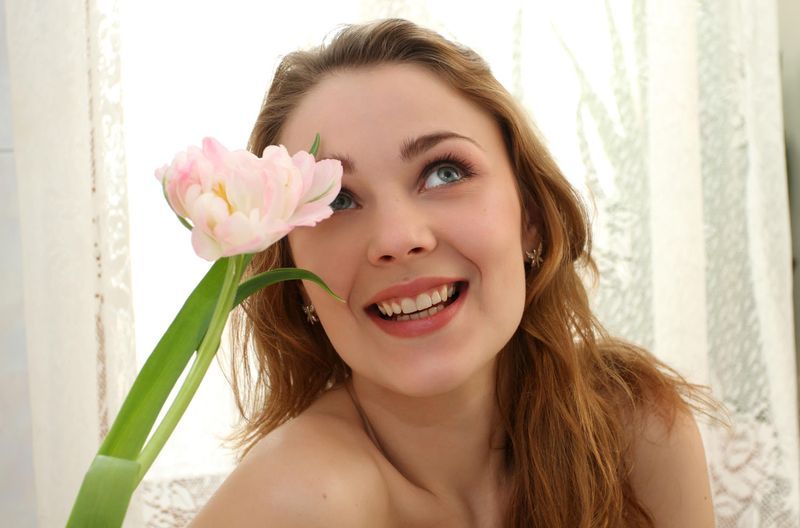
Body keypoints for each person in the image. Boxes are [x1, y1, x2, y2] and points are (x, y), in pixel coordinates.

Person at [190, 18, 717, 527]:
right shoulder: (294, 500)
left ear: (530, 215)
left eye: (444, 172)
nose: (398, 238)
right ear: (291, 270)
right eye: (336, 200)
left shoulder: (635, 427)